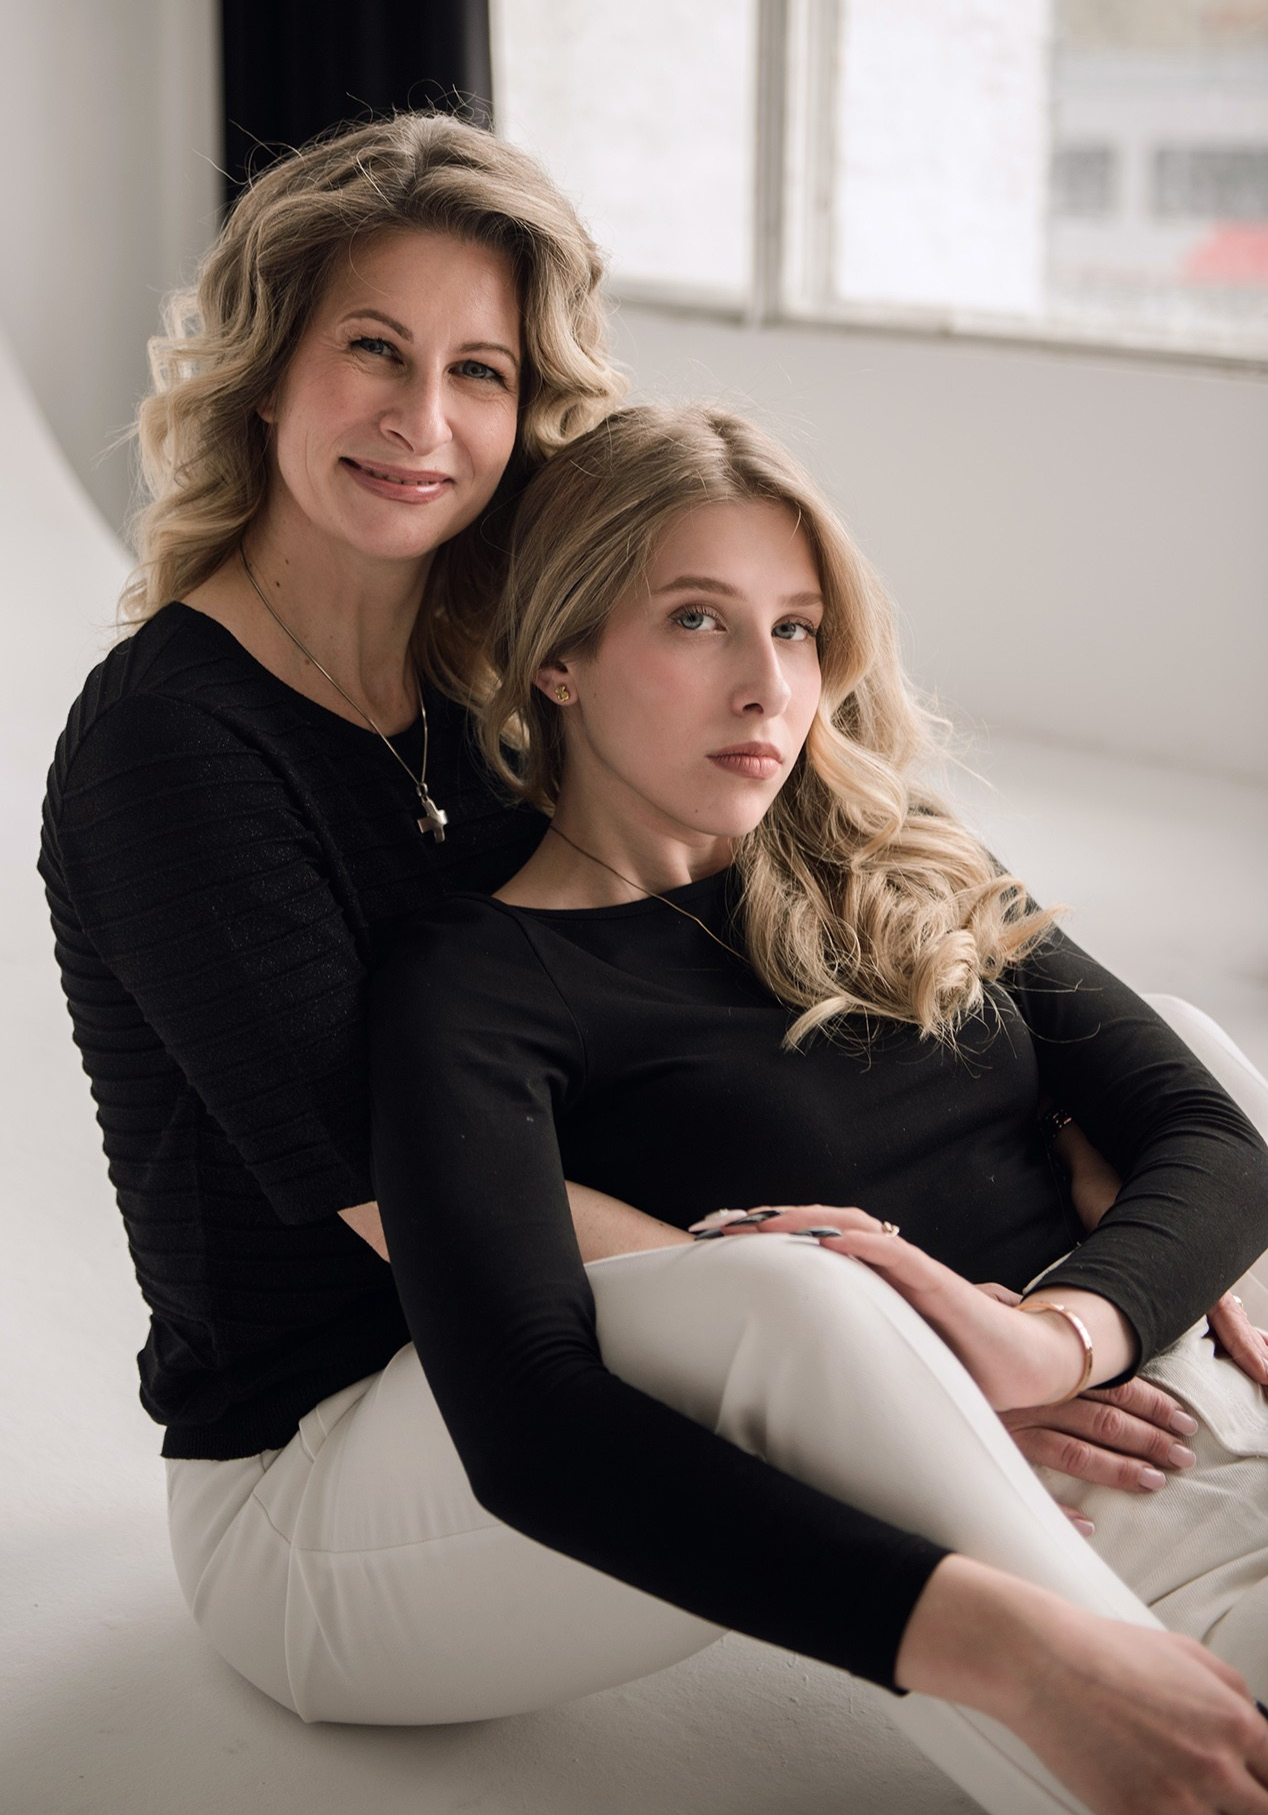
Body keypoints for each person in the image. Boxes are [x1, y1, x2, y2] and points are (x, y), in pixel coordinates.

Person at [38, 109, 1264, 1814]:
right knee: (799, 1310)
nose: (423, 420)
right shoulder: (172, 750)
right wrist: (912, 1362)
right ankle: (1147, 1730)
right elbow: (419, 1205)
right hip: (341, 1457)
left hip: (574, 1339)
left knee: (1169, 1066)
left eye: (480, 371)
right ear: (265, 370)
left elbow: (716, 1012)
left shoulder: (507, 665)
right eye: (372, 351)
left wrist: (1059, 1246)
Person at [361, 404, 1268, 1815]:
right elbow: (541, 1417)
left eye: (796, 629)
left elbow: (1213, 1137)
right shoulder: (477, 984)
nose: (768, 687)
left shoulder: (896, 854)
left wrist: (1052, 1336)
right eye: (699, 621)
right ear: (558, 657)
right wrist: (933, 1405)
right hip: (1085, 1526)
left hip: (1193, 1366)